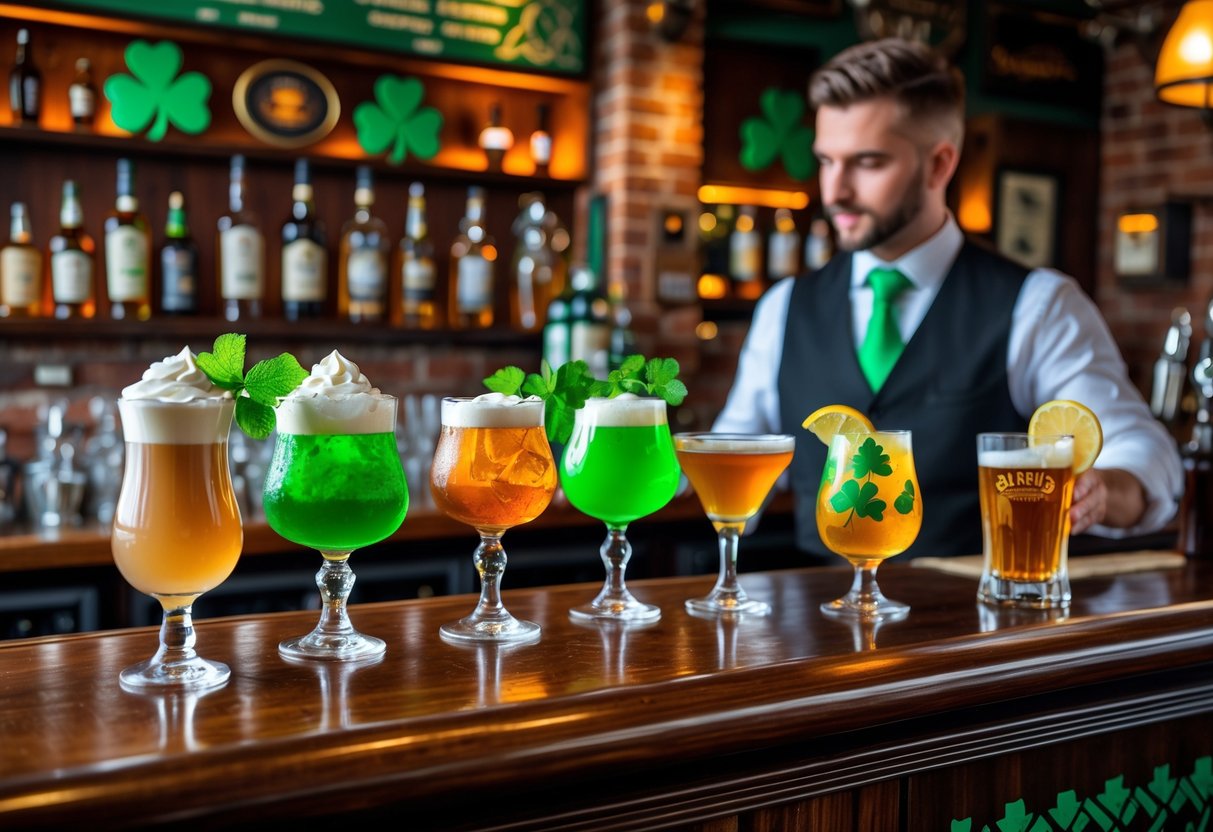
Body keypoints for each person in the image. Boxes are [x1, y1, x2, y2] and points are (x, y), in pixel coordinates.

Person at [712, 37, 1183, 560]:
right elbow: (734, 463)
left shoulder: (1038, 304)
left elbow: (1147, 456)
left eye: (866, 163)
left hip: (969, 629)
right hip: (810, 628)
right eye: (826, 161)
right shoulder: (784, 306)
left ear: (939, 165)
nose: (835, 191)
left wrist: (1105, 490)